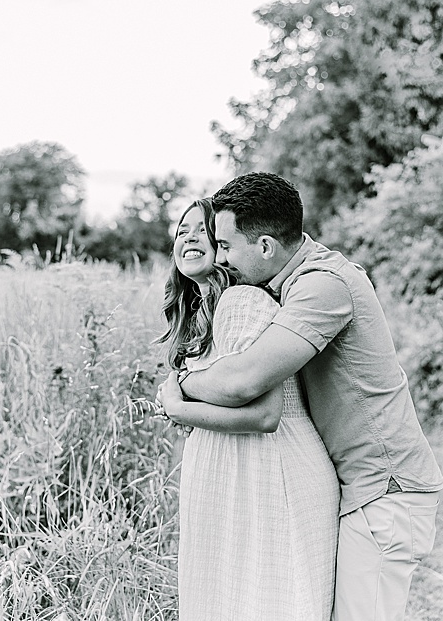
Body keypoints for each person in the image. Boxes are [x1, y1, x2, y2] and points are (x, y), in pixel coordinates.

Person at [173, 172, 443, 621]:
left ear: (264, 247)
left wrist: (180, 387)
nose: (221, 257)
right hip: (363, 491)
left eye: (225, 245)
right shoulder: (294, 282)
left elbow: (246, 381)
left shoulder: (323, 285)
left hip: (386, 494)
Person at [155, 198, 339, 621]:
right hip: (233, 472)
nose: (190, 239)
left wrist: (179, 408)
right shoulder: (204, 311)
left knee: (264, 602)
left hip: (267, 470)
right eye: (181, 231)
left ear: (224, 246)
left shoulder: (241, 302)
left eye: (203, 230)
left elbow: (264, 415)